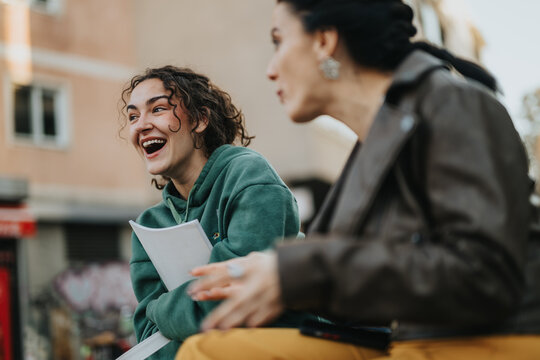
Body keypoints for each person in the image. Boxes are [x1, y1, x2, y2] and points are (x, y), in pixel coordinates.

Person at [179, 1, 540, 359]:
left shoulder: (454, 103)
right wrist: (274, 281)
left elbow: (484, 274)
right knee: (207, 350)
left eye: (279, 41)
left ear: (324, 41)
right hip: (406, 341)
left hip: (496, 341)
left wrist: (299, 272)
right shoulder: (370, 144)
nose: (271, 70)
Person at [121, 65, 310, 359]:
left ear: (199, 119)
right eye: (133, 116)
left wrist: (161, 309)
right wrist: (170, 315)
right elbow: (150, 337)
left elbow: (236, 299)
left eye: (157, 109)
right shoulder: (149, 225)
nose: (140, 125)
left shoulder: (247, 175)